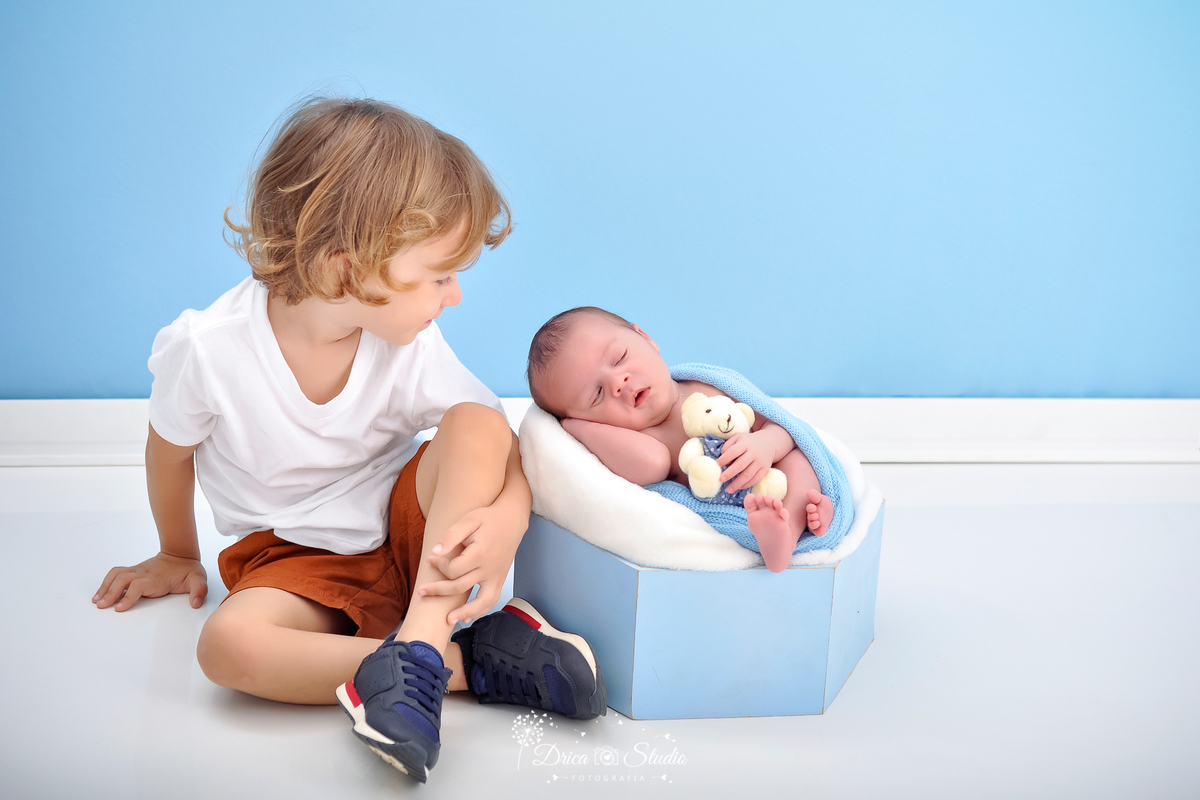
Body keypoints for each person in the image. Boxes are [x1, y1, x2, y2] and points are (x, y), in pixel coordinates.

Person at [91, 98, 605, 783]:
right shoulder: (210, 351)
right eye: (439, 276)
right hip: (291, 565)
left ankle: (418, 645)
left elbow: (495, 439)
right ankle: (467, 664)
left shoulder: (408, 344)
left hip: (410, 537)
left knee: (475, 424)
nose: (452, 298)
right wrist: (176, 551)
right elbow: (168, 447)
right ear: (345, 269)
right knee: (225, 647)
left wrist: (507, 521)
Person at [526, 306, 835, 572]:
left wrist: (765, 445)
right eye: (597, 394)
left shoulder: (707, 384)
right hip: (732, 504)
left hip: (769, 473)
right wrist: (577, 427)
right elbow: (652, 465)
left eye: (619, 357)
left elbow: (781, 426)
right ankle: (779, 528)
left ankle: (794, 524)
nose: (618, 382)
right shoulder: (640, 437)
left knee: (798, 457)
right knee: (784, 473)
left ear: (646, 338)